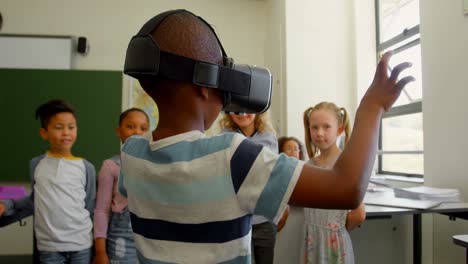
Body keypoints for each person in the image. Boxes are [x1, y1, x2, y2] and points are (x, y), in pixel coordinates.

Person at [118, 9, 414, 264]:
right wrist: (372, 108)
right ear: (206, 84)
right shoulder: (232, 156)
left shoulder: (131, 155)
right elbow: (346, 188)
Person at [0, 99, 96, 264]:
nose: (66, 132)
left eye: (71, 127)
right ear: (44, 133)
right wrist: (8, 204)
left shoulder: (86, 167)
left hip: (81, 244)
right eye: (59, 127)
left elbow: (89, 205)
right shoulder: (37, 164)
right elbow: (35, 200)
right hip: (49, 246)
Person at [302, 102, 366, 264]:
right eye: (314, 127)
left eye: (326, 127)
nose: (319, 133)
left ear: (339, 129)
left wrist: (335, 229)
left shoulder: (347, 165)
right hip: (311, 242)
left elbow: (358, 215)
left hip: (334, 243)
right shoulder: (308, 166)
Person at [219, 112, 282, 264]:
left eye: (247, 108)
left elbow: (271, 175)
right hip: (235, 218)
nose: (242, 113)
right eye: (236, 110)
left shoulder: (269, 137)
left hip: (263, 218)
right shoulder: (224, 137)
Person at [93, 108, 150, 264]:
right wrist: (100, 251)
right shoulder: (111, 166)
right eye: (130, 126)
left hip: (149, 240)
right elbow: (101, 210)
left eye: (143, 128)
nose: (137, 132)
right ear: (119, 131)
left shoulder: (155, 165)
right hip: (121, 239)